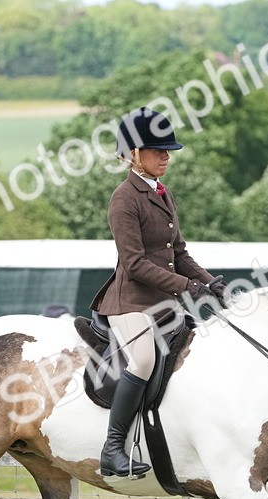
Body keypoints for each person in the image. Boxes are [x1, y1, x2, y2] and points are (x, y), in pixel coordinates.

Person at [89, 107, 226, 478]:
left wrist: (210, 282)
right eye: (157, 150)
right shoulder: (124, 198)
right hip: (129, 301)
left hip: (162, 303)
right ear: (134, 153)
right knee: (145, 359)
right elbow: (133, 264)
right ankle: (112, 447)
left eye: (168, 151)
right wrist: (187, 287)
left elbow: (178, 252)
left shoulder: (163, 194)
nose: (166, 156)